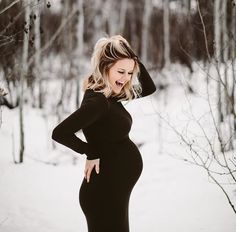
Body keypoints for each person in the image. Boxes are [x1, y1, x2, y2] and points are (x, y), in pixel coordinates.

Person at [51, 34, 156, 232]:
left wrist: (132, 57)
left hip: (114, 192)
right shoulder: (98, 102)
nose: (125, 79)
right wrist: (90, 152)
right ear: (105, 67)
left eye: (130, 73)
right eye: (121, 71)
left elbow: (149, 88)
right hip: (103, 195)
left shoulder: (111, 94)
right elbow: (60, 132)